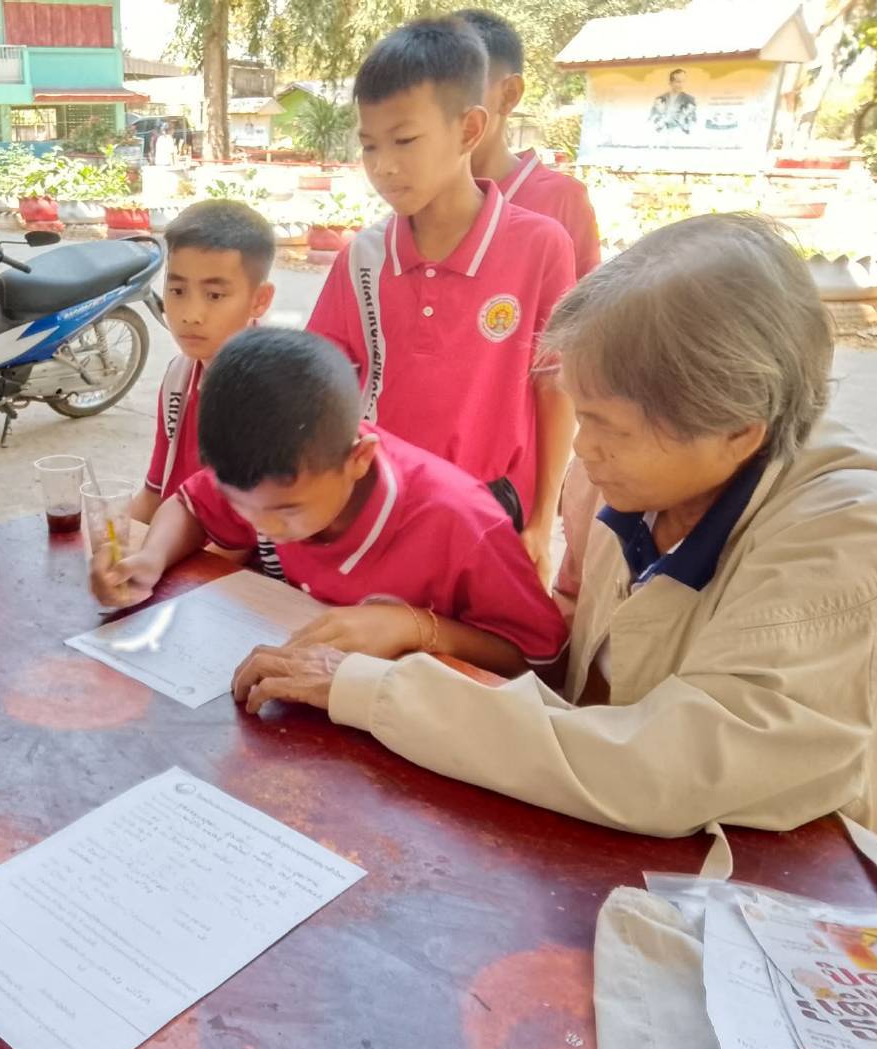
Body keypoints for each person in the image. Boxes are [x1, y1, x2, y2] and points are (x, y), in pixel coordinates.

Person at [234, 213, 877, 839]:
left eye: (606, 425)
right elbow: (571, 664)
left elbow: (660, 770)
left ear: (735, 433)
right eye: (581, 414)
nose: (580, 450)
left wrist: (372, 689)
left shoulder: (841, 538)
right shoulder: (624, 476)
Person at [95, 328, 569, 676]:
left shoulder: (461, 523)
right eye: (243, 508)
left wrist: (414, 628)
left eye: (287, 512)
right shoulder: (268, 477)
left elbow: (541, 659)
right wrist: (150, 559)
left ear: (359, 459)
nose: (265, 530)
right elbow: (191, 505)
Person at [306, 17, 577, 585]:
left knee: (473, 659)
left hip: (492, 516)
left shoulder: (540, 247)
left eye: (404, 140)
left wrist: (542, 519)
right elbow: (319, 381)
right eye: (369, 144)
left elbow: (555, 389)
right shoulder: (363, 256)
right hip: (383, 510)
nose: (383, 165)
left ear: (469, 129)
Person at [131, 200, 277, 524]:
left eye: (214, 296)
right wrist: (106, 541)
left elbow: (235, 542)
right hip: (172, 547)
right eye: (178, 290)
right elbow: (153, 494)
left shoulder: (270, 397)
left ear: (259, 300)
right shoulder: (179, 376)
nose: (191, 315)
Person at [455, 8, 601, 277]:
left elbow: (585, 313)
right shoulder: (421, 196)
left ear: (509, 94)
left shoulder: (562, 201)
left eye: (457, 88)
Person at [649, 69, 696, 134]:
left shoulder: (689, 99)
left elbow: (694, 120)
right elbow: (652, 118)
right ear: (671, 83)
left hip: (680, 135)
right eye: (678, 82)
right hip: (662, 134)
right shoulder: (660, 99)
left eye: (683, 81)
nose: (681, 85)